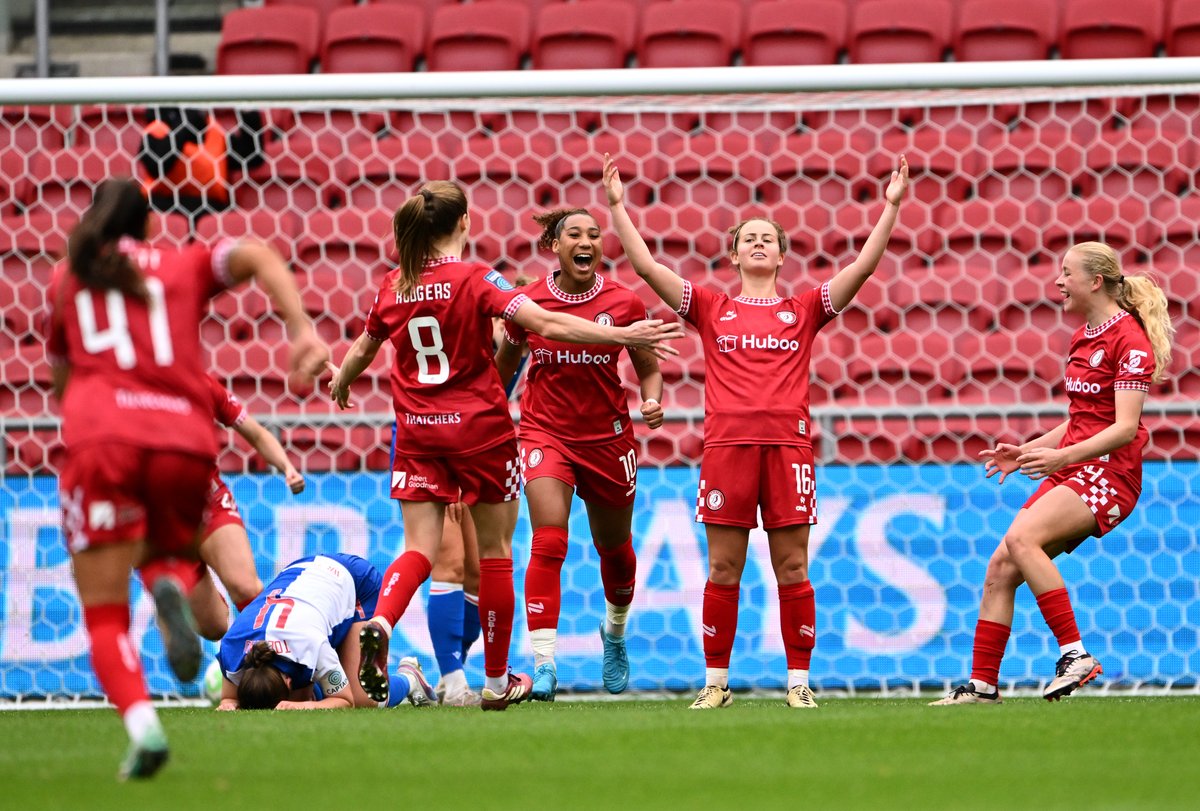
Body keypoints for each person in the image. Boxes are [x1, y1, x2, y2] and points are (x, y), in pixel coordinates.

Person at [326, 180, 682, 711]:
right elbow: (541, 323)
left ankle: (381, 621)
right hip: (481, 430)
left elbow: (362, 347)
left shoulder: (393, 284)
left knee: (419, 548)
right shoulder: (475, 277)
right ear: (465, 222)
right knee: (498, 553)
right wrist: (622, 337)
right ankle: (498, 680)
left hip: (421, 431)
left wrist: (342, 383)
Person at [603, 152, 910, 710]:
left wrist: (888, 209)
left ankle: (798, 683)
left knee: (792, 565)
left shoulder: (805, 308)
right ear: (734, 252)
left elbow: (862, 269)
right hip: (727, 449)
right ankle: (716, 683)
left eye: (769, 238)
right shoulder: (711, 307)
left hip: (789, 449)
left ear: (782, 254)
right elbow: (648, 268)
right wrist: (620, 209)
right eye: (750, 238)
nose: (760, 244)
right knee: (724, 566)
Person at [43, 178, 327, 779]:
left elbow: (63, 380)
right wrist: (299, 327)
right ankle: (169, 574)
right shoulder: (179, 263)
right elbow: (253, 253)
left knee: (105, 611)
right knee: (171, 548)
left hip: (102, 439)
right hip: (181, 439)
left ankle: (144, 730)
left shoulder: (67, 280)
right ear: (149, 225)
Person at [931, 242, 1174, 706]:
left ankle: (1075, 655)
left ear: (1095, 281)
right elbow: (1081, 417)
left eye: (1066, 274)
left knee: (1023, 540)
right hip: (1077, 466)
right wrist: (1026, 452)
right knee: (1001, 566)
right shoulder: (1085, 335)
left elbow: (1124, 429)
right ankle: (982, 687)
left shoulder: (1130, 342)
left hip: (1110, 474)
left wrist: (1062, 459)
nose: (1058, 282)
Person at [495, 207, 665, 701]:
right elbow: (502, 371)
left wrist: (652, 399)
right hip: (545, 433)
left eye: (594, 234)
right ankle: (544, 662)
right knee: (549, 540)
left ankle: (614, 634)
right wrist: (484, 418)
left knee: (615, 551)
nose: (586, 240)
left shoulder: (624, 301)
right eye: (575, 233)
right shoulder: (527, 302)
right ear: (554, 244)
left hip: (608, 439)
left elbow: (648, 369)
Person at [421, 275, 532, 707]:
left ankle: (453, 672)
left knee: (479, 571)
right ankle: (451, 682)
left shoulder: (514, 347)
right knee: (447, 561)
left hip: (478, 446)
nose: (507, 324)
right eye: (502, 315)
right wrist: (445, 475)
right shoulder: (460, 340)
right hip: (435, 444)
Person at [213, 553, 436, 711]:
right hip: (304, 576)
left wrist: (305, 705)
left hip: (356, 583)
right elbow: (229, 698)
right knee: (320, 688)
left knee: (363, 698)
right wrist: (228, 703)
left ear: (289, 681)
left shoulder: (310, 645)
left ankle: (410, 678)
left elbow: (344, 700)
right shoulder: (232, 649)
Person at [186, 373, 305, 641]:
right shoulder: (131, 394)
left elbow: (256, 433)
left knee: (246, 588)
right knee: (214, 627)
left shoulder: (202, 385)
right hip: (166, 522)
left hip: (209, 504)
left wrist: (286, 466)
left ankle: (270, 664)